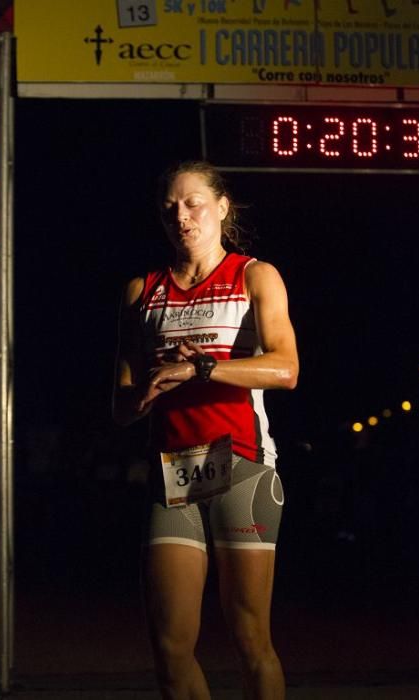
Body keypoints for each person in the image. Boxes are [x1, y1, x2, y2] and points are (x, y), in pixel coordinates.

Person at [113, 160, 299, 699]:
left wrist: (204, 367)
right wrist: (143, 395)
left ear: (221, 208)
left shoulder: (254, 275)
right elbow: (121, 409)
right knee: (170, 650)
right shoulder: (140, 290)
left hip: (242, 466)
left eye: (193, 202)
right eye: (171, 206)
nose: (182, 215)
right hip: (172, 473)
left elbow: (286, 369)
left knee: (249, 638)